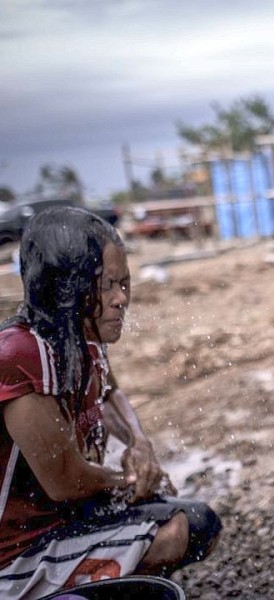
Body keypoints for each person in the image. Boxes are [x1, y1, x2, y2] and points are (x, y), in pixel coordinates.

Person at [0, 207, 221, 599]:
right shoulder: (22, 354)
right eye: (105, 286)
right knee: (175, 531)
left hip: (57, 524)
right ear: (65, 287)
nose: (121, 299)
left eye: (125, 283)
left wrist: (140, 444)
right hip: (14, 555)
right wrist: (130, 482)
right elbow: (67, 482)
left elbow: (111, 392)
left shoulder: (80, 338)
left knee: (199, 524)